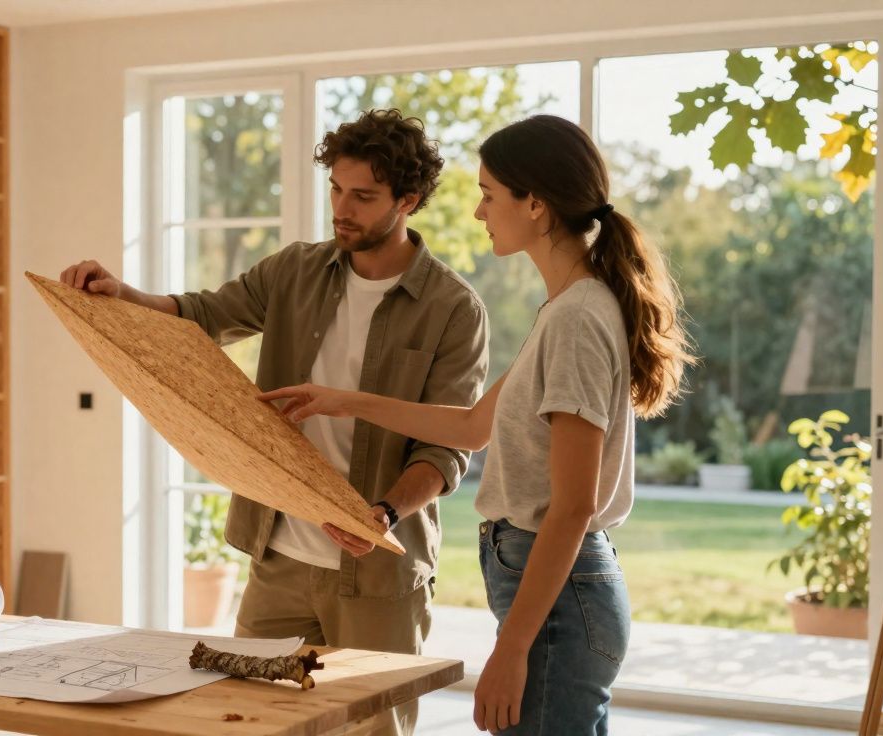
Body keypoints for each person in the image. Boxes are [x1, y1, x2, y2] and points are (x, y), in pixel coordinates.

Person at [259, 114, 695, 735]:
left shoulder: (576, 318)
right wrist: (343, 401)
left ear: (535, 205)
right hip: (553, 588)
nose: (478, 212)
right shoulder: (565, 308)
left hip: (561, 597)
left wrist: (511, 650)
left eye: (490, 195)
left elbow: (573, 506)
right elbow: (469, 426)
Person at [60, 108, 488, 735]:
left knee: (375, 730)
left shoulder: (454, 310)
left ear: (408, 200)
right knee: (245, 719)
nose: (342, 208)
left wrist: (385, 514)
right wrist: (123, 294)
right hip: (278, 558)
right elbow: (202, 313)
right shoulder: (294, 269)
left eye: (363, 196)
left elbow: (446, 449)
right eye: (336, 190)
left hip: (378, 575)